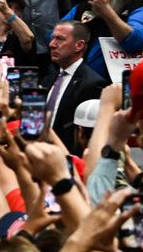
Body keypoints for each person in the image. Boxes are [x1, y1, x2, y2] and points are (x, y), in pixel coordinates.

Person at [43, 21, 107, 154]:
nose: (52, 44)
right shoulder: (47, 80)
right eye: (52, 38)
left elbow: (89, 136)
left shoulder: (93, 84)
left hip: (70, 162)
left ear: (79, 45)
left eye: (60, 39)